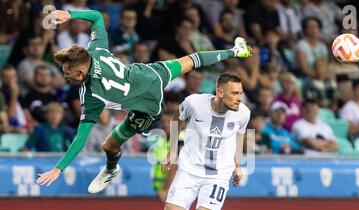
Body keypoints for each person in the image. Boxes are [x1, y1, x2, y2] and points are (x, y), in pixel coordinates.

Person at [36, 9, 252, 189]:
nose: (65, 75)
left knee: (109, 146)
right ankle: (236, 50)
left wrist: (58, 168)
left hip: (147, 108)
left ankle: (111, 169)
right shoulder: (96, 49)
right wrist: (70, 14)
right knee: (191, 60)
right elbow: (97, 17)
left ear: (81, 73)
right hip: (151, 74)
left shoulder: (91, 94)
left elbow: (80, 139)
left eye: (68, 71)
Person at [126, 73, 250, 210]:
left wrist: (237, 164)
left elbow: (240, 135)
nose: (239, 98)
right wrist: (172, 150)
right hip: (189, 170)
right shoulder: (194, 103)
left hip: (218, 175)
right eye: (235, 93)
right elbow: (176, 119)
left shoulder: (243, 114)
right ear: (220, 92)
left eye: (240, 93)